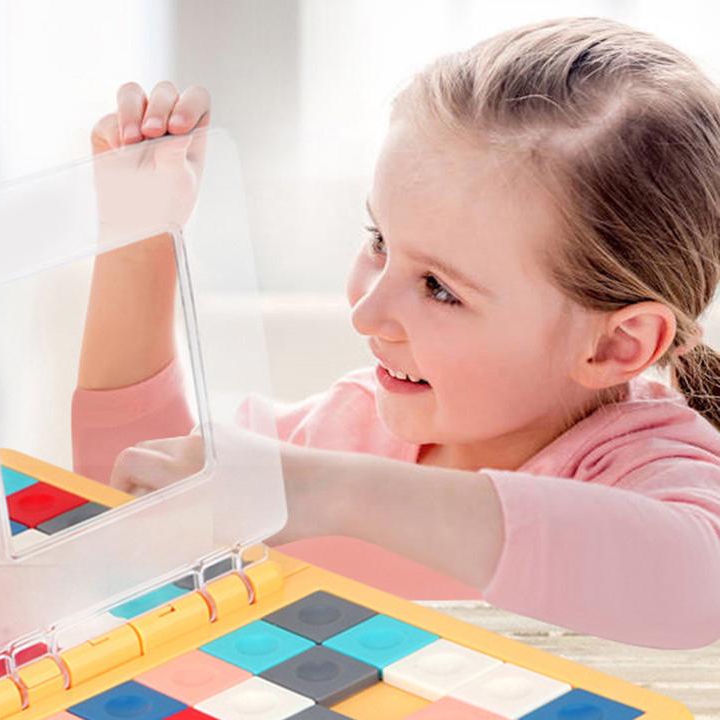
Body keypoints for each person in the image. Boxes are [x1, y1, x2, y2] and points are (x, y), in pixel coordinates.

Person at [72, 16, 720, 650]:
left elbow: (696, 587)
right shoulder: (344, 430)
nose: (365, 314)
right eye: (379, 240)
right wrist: (138, 240)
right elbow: (132, 512)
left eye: (440, 287)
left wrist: (327, 491)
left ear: (615, 345)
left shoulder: (646, 468)